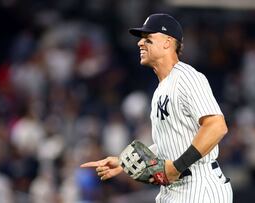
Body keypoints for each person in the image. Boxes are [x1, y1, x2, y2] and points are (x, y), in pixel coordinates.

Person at [81, 13, 233, 203]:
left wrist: (177, 167)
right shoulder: (162, 88)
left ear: (168, 42)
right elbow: (168, 144)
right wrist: (123, 163)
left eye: (148, 38)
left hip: (199, 186)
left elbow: (216, 126)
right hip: (177, 188)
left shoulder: (187, 78)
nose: (140, 43)